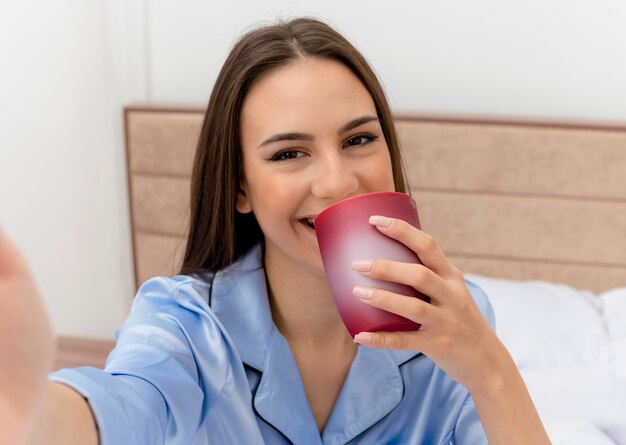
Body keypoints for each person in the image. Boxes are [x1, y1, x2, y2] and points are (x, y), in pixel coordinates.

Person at [0, 17, 550, 445]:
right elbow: (124, 406)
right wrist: (30, 407)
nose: (336, 181)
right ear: (240, 188)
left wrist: (490, 367)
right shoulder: (188, 326)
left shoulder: (453, 322)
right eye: (290, 153)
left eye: (359, 139)